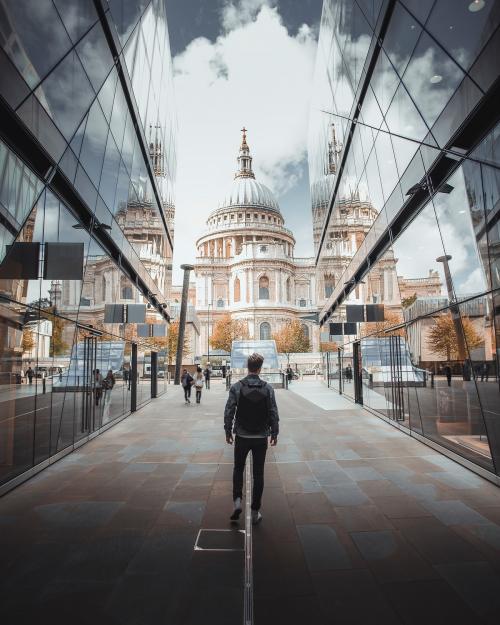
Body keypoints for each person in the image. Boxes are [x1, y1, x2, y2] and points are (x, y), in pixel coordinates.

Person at [224, 352, 279, 525]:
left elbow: (229, 411)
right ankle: (255, 511)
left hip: (242, 435)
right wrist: (274, 433)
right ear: (260, 368)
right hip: (261, 436)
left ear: (247, 367)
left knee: (238, 468)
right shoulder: (268, 388)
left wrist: (228, 431)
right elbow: (273, 412)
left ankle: (237, 502)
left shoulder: (237, 387)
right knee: (258, 474)